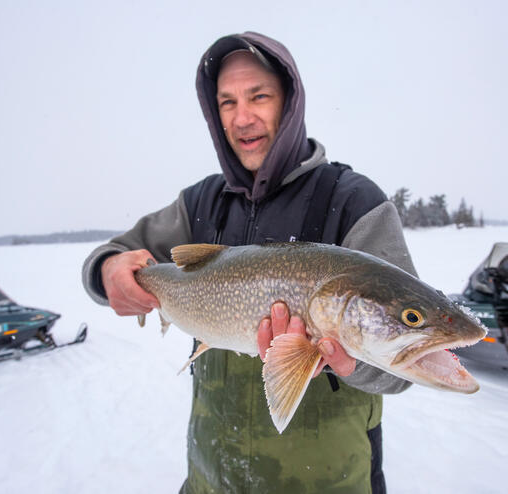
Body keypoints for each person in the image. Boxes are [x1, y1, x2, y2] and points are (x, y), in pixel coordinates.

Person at [82, 32, 418, 494]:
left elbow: (403, 357)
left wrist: (346, 363)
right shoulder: (201, 201)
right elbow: (115, 254)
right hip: (209, 478)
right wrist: (109, 272)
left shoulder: (353, 201)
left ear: (291, 102)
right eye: (226, 102)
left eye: (259, 96)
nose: (242, 118)